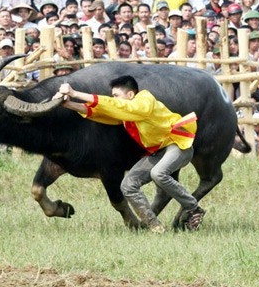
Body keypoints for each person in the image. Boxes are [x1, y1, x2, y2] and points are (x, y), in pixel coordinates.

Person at [56, 75, 205, 232]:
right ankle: (154, 226)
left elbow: (119, 107)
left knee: (158, 173)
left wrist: (76, 93)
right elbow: (102, 113)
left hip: (178, 145)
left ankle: (194, 208)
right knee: (128, 185)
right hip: (158, 152)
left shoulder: (144, 99)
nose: (114, 99)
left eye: (116, 96)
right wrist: (69, 104)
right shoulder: (127, 114)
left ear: (131, 95)